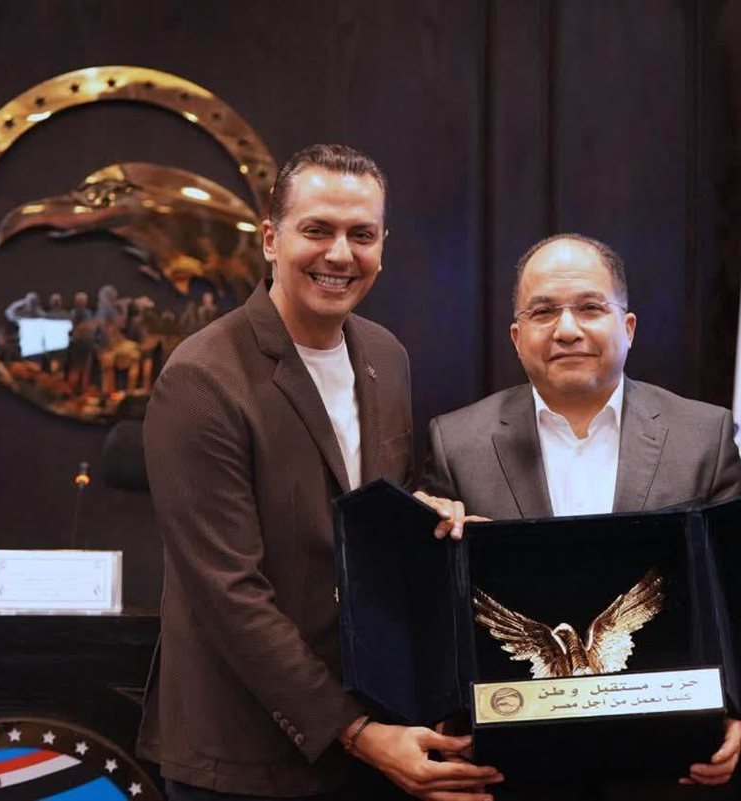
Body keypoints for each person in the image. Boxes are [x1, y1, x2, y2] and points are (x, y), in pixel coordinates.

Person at [139, 144, 499, 801]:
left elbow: (365, 509)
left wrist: (423, 513)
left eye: (361, 234)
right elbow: (228, 594)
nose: (340, 254)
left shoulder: (386, 355)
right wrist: (356, 731)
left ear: (383, 246)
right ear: (270, 239)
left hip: (373, 729)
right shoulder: (201, 378)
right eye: (317, 230)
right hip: (242, 753)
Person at [419, 233, 741, 793]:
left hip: (669, 766)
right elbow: (432, 612)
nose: (567, 329)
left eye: (590, 308)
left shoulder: (700, 436)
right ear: (517, 336)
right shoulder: (457, 443)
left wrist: (738, 707)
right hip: (511, 770)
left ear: (627, 327)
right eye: (543, 312)